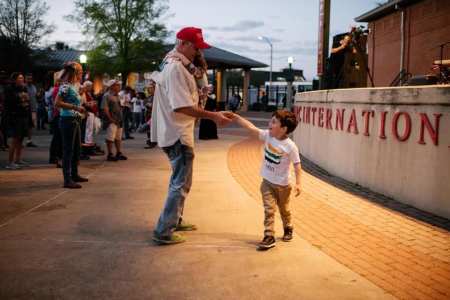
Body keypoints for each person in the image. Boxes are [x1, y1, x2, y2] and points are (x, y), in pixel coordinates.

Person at [150, 26, 232, 245]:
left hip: (175, 131)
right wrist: (213, 116)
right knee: (180, 182)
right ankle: (164, 230)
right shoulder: (176, 68)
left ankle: (174, 220)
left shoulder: (171, 63)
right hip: (177, 133)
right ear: (183, 44)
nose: (198, 52)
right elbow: (181, 106)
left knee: (182, 181)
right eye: (196, 47)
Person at [230, 110, 302, 250]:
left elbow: (297, 165)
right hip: (267, 182)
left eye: (274, 122)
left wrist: (298, 183)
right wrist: (237, 117)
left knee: (284, 210)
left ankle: (288, 226)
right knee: (269, 209)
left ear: (284, 129)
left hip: (283, 185)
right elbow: (252, 129)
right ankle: (269, 235)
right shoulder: (268, 136)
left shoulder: (290, 146)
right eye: (271, 120)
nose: (270, 124)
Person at [55, 62, 89, 189]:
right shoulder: (65, 85)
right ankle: (67, 179)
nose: (81, 73)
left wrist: (83, 106)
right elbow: (57, 103)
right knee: (68, 150)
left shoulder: (75, 86)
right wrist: (76, 107)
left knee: (76, 149)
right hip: (67, 119)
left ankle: (74, 174)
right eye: (80, 71)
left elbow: (73, 99)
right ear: (74, 73)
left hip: (75, 118)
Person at [4, 73, 31, 169]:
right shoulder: (9, 89)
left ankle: (18, 160)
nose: (22, 79)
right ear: (14, 79)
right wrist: (21, 98)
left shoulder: (23, 88)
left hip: (24, 116)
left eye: (22, 78)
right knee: (15, 140)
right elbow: (9, 103)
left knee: (21, 139)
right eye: (20, 78)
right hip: (15, 117)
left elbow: (27, 101)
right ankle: (10, 162)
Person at [102, 79, 128, 162]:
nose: (118, 86)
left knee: (118, 137)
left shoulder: (118, 96)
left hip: (119, 119)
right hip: (112, 120)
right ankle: (110, 154)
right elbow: (105, 109)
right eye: (117, 85)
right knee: (110, 137)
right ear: (112, 86)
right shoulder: (107, 96)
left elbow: (121, 106)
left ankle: (118, 152)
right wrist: (110, 119)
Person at [25, 74, 38, 147]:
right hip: (26, 109)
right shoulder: (23, 87)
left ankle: (29, 140)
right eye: (28, 78)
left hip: (33, 109)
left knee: (31, 125)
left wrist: (38, 95)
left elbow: (35, 97)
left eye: (31, 78)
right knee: (25, 125)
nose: (29, 80)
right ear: (25, 79)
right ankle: (22, 141)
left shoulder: (33, 87)